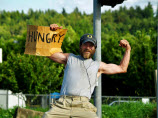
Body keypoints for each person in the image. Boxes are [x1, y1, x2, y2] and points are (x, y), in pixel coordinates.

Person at [42, 24, 131, 118]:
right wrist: (51, 33)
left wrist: (128, 50)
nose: (88, 47)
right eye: (85, 44)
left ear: (94, 48)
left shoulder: (98, 66)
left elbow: (122, 68)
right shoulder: (69, 58)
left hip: (83, 107)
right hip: (62, 104)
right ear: (80, 46)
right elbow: (48, 53)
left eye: (91, 45)